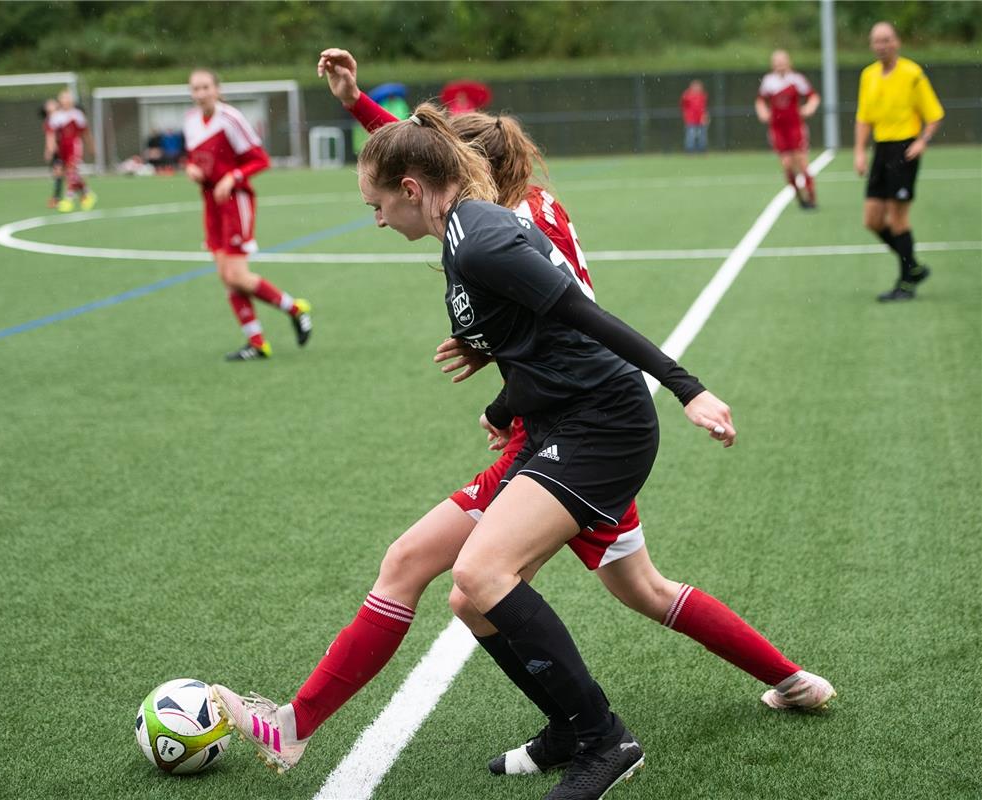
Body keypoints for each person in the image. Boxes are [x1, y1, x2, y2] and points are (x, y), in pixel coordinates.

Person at [212, 53, 832, 798]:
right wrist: (354, 106)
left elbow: (574, 321)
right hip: (547, 422)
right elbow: (412, 166)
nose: (376, 215)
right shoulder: (472, 217)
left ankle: (598, 734)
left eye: (384, 199)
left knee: (486, 583)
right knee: (580, 582)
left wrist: (675, 389)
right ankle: (761, 687)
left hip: (581, 424)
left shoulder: (500, 227)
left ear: (452, 171)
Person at [183, 68, 313, 361]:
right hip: (210, 205)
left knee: (236, 274)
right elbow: (195, 159)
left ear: (217, 89)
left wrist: (233, 177)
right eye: (195, 89)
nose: (200, 93)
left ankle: (294, 308)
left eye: (205, 87)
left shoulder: (230, 119)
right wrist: (190, 168)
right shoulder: (190, 121)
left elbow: (260, 160)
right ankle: (256, 342)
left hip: (235, 203)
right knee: (226, 277)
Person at [854, 22, 945, 302]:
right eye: (876, 41)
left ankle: (906, 283)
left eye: (886, 40)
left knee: (897, 219)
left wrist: (922, 141)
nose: (881, 45)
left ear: (897, 42)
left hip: (904, 150)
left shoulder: (912, 73)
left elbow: (934, 114)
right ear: (871, 45)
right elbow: (863, 117)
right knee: (872, 219)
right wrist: (859, 150)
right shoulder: (868, 75)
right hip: (881, 150)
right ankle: (913, 266)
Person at [756, 50, 820, 209]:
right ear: (772, 65)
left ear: (789, 62)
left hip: (795, 126)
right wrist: (763, 112)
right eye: (777, 63)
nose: (780, 66)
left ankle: (811, 195)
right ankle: (799, 195)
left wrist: (809, 107)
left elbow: (813, 96)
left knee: (801, 162)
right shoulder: (768, 81)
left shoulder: (796, 80)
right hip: (778, 129)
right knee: (787, 165)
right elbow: (760, 101)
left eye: (782, 62)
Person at [45, 89, 96, 213]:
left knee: (71, 171)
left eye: (68, 98)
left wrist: (91, 146)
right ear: (60, 101)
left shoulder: (77, 114)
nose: (66, 100)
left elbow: (86, 132)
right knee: (70, 172)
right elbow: (51, 134)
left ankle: (69, 199)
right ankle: (87, 194)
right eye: (64, 98)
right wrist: (50, 148)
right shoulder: (56, 116)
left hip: (74, 145)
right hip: (63, 148)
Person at [40, 99, 63, 208]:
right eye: (49, 104)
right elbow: (49, 138)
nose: (52, 103)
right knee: (59, 174)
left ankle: (83, 194)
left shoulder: (62, 116)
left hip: (65, 149)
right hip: (58, 151)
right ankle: (56, 198)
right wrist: (48, 150)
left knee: (66, 173)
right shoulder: (49, 121)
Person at [680, 80, 709, 154]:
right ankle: (690, 152)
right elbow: (683, 106)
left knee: (702, 137)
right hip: (691, 120)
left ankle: (702, 151)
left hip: (701, 120)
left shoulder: (702, 95)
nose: (697, 88)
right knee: (691, 137)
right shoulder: (687, 95)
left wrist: (705, 117)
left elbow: (703, 108)